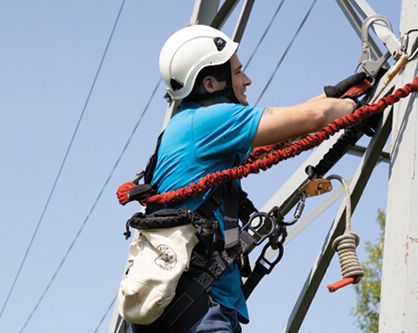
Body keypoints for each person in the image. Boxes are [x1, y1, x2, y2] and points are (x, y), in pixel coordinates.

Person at [117, 24, 365, 333]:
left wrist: (330, 96)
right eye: (237, 72)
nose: (246, 80)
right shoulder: (212, 120)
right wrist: (356, 107)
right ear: (210, 83)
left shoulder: (187, 128)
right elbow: (312, 118)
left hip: (173, 307)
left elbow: (286, 128)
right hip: (200, 309)